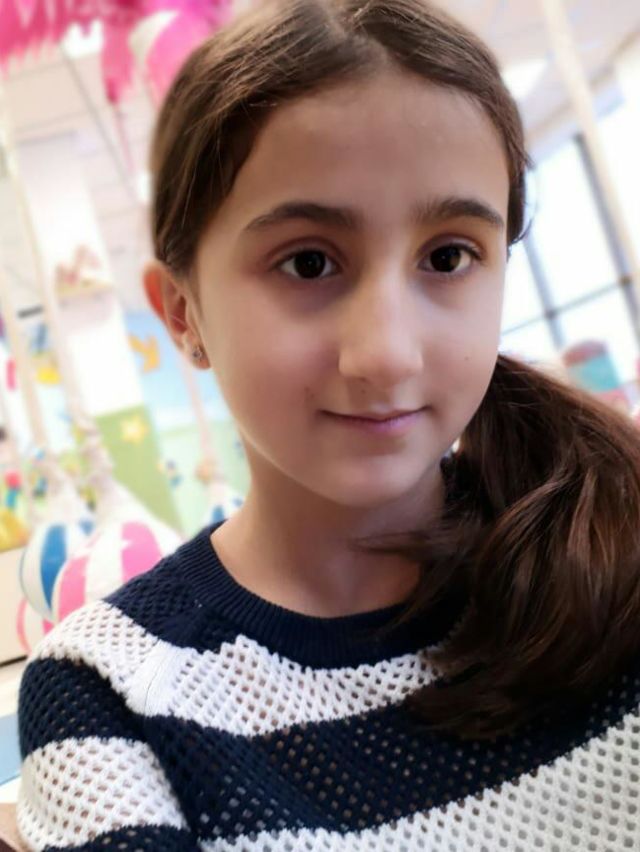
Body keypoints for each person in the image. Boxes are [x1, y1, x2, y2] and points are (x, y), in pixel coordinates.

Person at [16, 0, 640, 849]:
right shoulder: (110, 691)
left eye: (449, 257)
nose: (386, 355)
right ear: (183, 312)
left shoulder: (609, 561)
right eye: (308, 262)